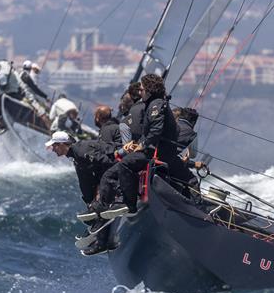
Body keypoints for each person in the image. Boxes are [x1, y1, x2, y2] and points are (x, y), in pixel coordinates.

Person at [82, 74, 194, 220]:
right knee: (114, 171)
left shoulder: (156, 104)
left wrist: (142, 145)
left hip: (159, 153)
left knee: (125, 165)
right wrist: (136, 144)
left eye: (142, 90)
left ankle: (129, 204)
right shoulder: (153, 104)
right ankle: (103, 206)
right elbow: (149, 132)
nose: (139, 92)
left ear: (149, 90)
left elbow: (156, 130)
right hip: (154, 150)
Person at [45, 131, 117, 206]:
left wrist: (101, 190)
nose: (53, 149)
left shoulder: (81, 152)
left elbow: (107, 163)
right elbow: (86, 179)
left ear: (61, 144)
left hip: (119, 158)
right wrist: (90, 201)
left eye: (54, 146)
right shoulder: (75, 156)